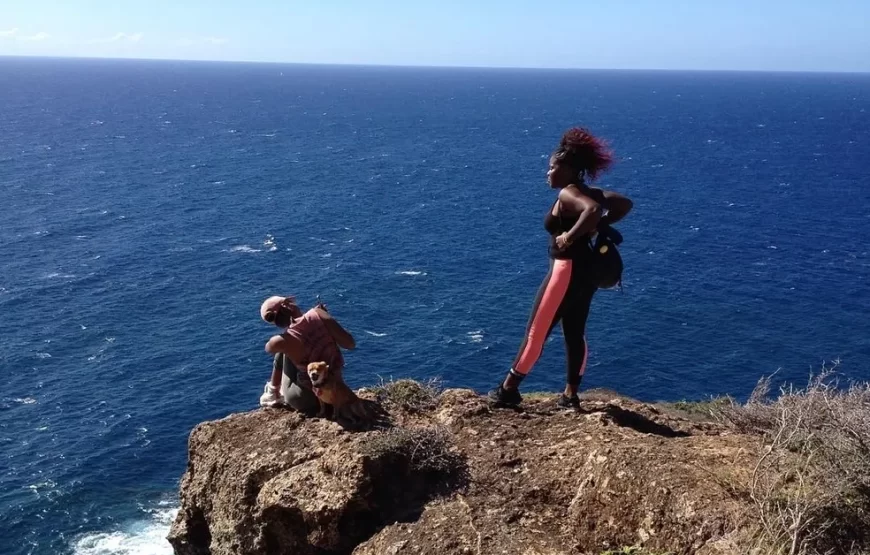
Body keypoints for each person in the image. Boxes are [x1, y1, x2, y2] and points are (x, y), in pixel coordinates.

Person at [489, 127, 633, 408]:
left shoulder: (569, 193)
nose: (548, 173)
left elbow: (591, 210)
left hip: (564, 272)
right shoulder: (591, 191)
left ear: (568, 170)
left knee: (536, 332)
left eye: (552, 167)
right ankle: (570, 395)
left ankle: (508, 390)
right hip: (586, 274)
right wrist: (598, 226)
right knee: (574, 332)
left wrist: (572, 234)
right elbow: (624, 204)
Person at [258, 295, 356, 413]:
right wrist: (326, 320)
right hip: (334, 391)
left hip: (304, 399)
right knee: (285, 349)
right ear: (287, 305)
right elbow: (350, 344)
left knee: (283, 350)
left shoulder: (281, 341)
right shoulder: (318, 314)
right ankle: (273, 392)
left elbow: (268, 348)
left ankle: (272, 393)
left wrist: (291, 331)